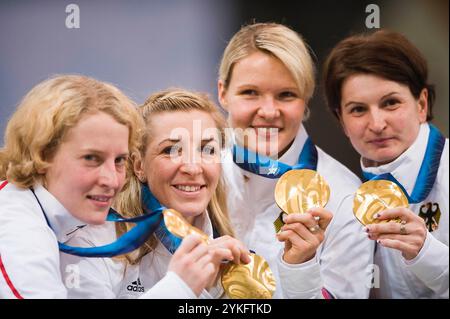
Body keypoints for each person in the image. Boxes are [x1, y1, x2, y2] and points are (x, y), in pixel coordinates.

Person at [217, 22, 374, 298]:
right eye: (250, 92)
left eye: (286, 95)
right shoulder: (196, 176)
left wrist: (301, 269)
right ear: (223, 93)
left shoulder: (345, 198)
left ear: (305, 101)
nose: (268, 111)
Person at [60, 88, 251, 298]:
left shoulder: (233, 243)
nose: (193, 168)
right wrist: (179, 287)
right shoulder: (92, 246)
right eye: (170, 150)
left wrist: (292, 272)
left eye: (207, 150)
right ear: (139, 165)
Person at [322, 29, 449, 298]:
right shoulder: (339, 193)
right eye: (358, 109)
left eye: (391, 103)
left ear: (422, 104)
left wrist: (427, 252)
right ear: (341, 121)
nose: (377, 125)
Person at [0, 74, 142, 298]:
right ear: (42, 155)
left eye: (119, 160)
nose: (112, 180)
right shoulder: (16, 229)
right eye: (91, 158)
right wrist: (180, 287)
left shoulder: (65, 213)